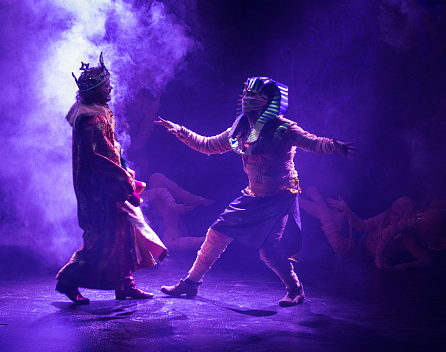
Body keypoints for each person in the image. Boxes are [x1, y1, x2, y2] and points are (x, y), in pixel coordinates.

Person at [156, 77, 355, 307]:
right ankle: (191, 283)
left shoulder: (284, 129)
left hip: (280, 196)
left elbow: (312, 142)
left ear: (267, 101)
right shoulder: (240, 129)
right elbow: (208, 145)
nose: (247, 98)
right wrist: (181, 131)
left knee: (269, 250)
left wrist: (335, 145)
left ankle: (295, 289)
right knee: (217, 233)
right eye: (246, 94)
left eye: (253, 95)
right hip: (254, 194)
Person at [55, 53, 167, 304]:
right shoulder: (91, 118)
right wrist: (125, 181)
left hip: (107, 184)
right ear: (95, 89)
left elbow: (112, 150)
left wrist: (124, 173)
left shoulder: (98, 112)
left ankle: (125, 284)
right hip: (98, 189)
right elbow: (101, 156)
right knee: (101, 239)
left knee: (123, 233)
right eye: (106, 86)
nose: (110, 89)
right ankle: (68, 280)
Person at [141, 173, 213, 252]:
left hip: (164, 204)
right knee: (167, 244)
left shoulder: (135, 199)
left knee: (156, 178)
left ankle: (198, 200)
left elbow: (161, 191)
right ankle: (211, 240)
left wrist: (173, 205)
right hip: (168, 227)